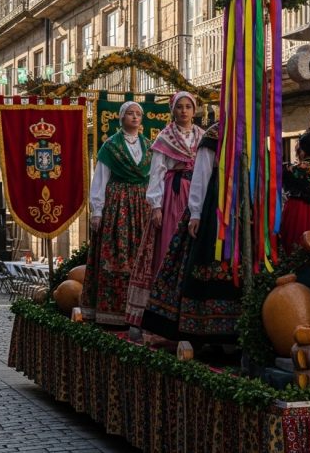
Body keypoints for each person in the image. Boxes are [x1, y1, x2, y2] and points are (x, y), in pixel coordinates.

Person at [142, 123, 243, 343]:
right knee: (206, 258)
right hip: (215, 204)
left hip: (243, 203)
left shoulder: (252, 132)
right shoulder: (213, 135)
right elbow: (202, 173)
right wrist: (196, 212)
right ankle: (201, 327)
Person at [125, 91, 204, 327]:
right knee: (170, 245)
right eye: (179, 107)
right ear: (173, 111)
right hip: (174, 195)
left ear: (194, 110)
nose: (184, 111)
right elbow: (157, 172)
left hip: (197, 193)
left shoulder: (202, 135)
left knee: (195, 249)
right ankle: (162, 310)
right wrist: (156, 205)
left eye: (188, 107)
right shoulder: (165, 137)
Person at [81, 101, 152, 325]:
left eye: (137, 114)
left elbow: (153, 178)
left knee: (142, 253)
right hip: (118, 204)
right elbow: (100, 179)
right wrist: (97, 210)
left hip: (142, 204)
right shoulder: (110, 147)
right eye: (129, 113)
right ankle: (112, 312)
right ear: (121, 118)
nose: (134, 117)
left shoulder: (149, 145)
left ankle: (140, 310)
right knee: (117, 253)